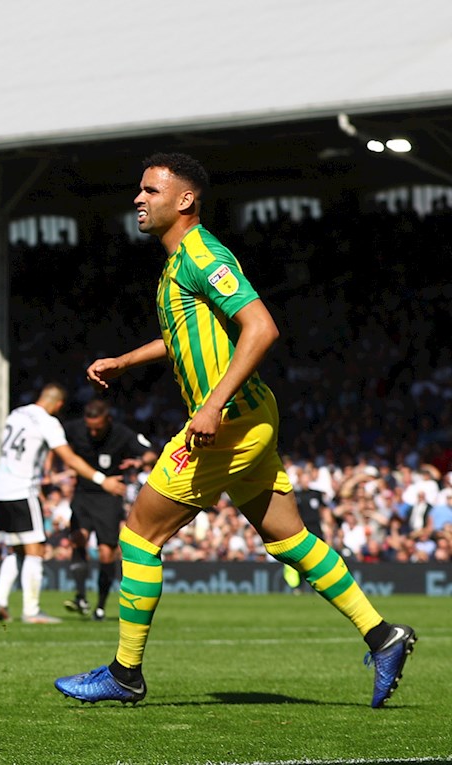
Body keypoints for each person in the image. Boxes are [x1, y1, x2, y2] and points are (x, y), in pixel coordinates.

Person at [54, 153, 415, 708]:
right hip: (250, 417)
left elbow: (261, 327)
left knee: (139, 535)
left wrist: (212, 406)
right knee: (288, 539)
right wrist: (126, 360)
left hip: (226, 423)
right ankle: (382, 634)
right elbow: (184, 335)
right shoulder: (178, 263)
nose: (138, 199)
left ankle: (125, 673)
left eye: (150, 190)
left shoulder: (202, 254)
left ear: (185, 200)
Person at [0, 383, 125, 624]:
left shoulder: (16, 414)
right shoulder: (47, 422)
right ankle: (32, 611)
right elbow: (69, 457)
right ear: (59, 405)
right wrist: (103, 481)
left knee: (16, 548)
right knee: (35, 550)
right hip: (22, 490)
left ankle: (0, 602)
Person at [60, 399, 152, 621]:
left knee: (106, 552)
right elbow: (55, 444)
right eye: (89, 427)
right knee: (78, 538)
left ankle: (100, 607)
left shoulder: (122, 433)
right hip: (83, 494)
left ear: (108, 420)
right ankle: (80, 595)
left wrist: (138, 462)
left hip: (109, 498)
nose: (92, 432)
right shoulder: (73, 429)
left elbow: (150, 453)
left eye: (97, 428)